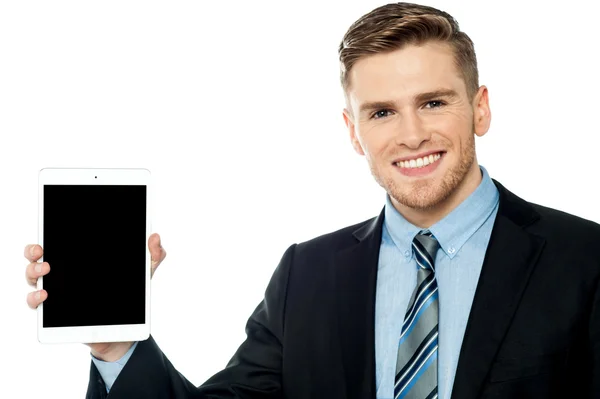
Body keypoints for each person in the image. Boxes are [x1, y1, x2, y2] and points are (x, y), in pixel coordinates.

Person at [24, 2, 600, 398]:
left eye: (433, 102)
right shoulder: (308, 273)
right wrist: (115, 342)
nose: (412, 135)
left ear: (480, 108)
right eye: (381, 113)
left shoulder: (584, 260)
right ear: (353, 132)